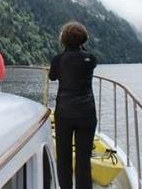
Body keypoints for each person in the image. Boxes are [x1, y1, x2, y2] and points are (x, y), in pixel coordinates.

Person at [49, 22, 97, 189]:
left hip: (64, 114)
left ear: (63, 39)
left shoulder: (58, 60)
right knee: (84, 158)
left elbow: (52, 77)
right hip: (87, 114)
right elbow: (84, 60)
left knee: (64, 158)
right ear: (84, 39)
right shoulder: (91, 59)